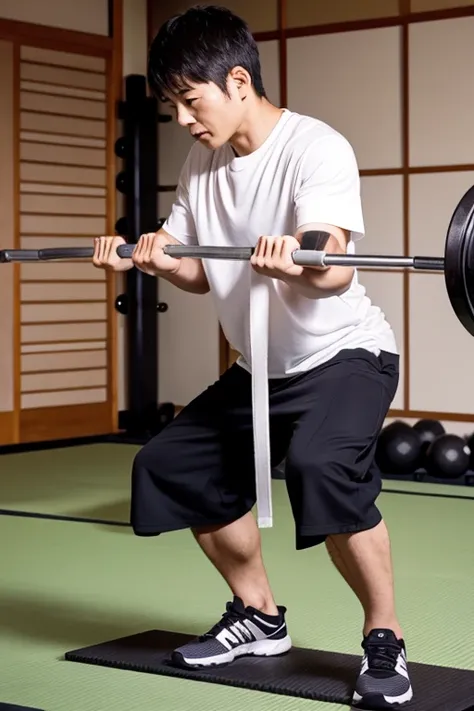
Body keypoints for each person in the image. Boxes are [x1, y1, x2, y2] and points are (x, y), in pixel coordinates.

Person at [93, 5, 413, 708]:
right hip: (259, 367)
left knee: (321, 466)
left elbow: (333, 266)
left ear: (238, 80)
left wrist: (298, 259)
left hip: (343, 353)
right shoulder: (203, 163)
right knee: (171, 462)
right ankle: (259, 613)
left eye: (189, 99)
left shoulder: (314, 147)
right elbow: (198, 269)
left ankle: (384, 633)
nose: (181, 118)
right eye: (172, 104)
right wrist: (152, 258)